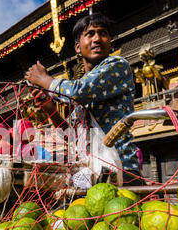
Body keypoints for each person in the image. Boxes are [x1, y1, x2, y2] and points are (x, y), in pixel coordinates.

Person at [25, 13, 143, 185]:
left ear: (110, 42)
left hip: (121, 171)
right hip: (92, 175)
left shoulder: (117, 65)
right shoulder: (82, 95)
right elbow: (71, 136)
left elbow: (77, 91)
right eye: (90, 34)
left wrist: (44, 79)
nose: (97, 39)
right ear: (78, 47)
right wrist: (49, 108)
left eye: (103, 33)